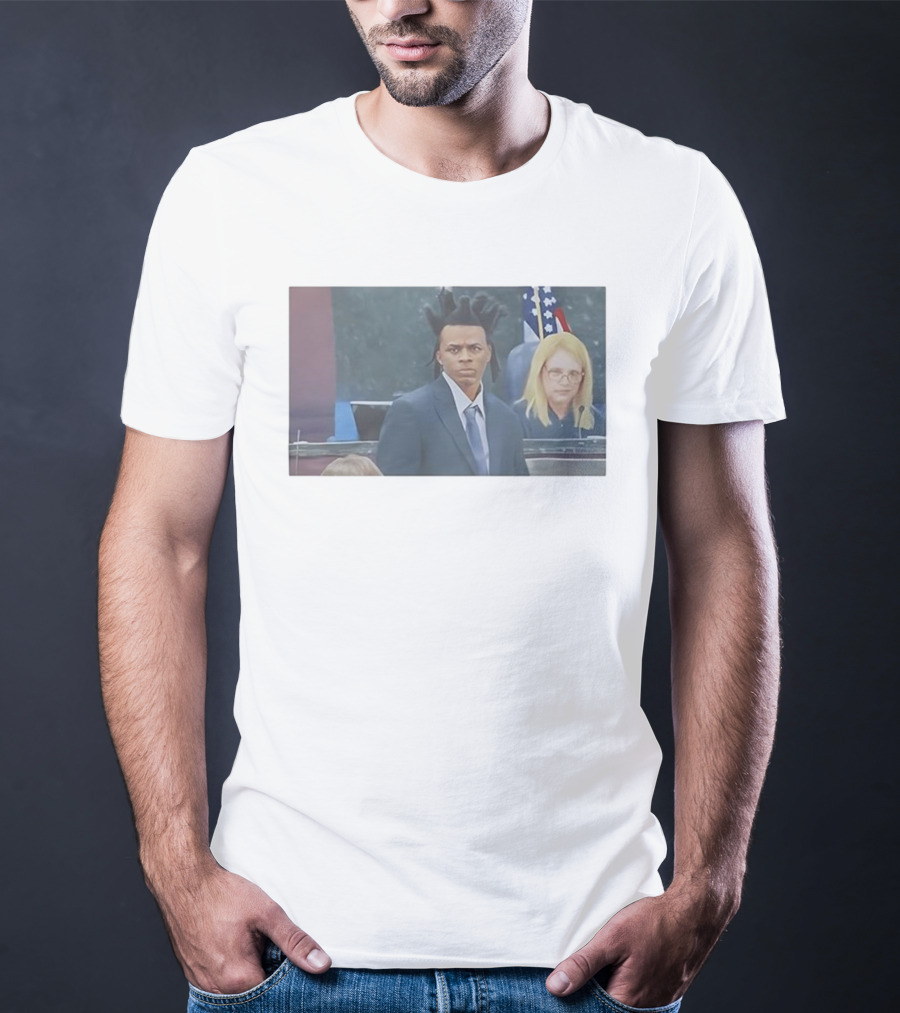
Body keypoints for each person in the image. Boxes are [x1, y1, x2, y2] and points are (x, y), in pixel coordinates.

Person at [97, 1, 786, 1011]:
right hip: (298, 952)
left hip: (587, 953)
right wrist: (175, 863)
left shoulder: (673, 202)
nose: (401, 4)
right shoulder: (231, 197)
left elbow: (723, 544)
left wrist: (710, 878)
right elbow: (157, 540)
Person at [376, 289, 530, 475]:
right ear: (439, 357)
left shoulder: (506, 418)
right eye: (454, 350)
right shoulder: (410, 412)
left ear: (488, 353)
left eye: (474, 348)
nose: (465, 357)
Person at [513, 330, 605, 439]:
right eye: (556, 372)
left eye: (573, 373)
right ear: (539, 372)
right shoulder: (516, 418)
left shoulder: (595, 420)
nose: (565, 382)